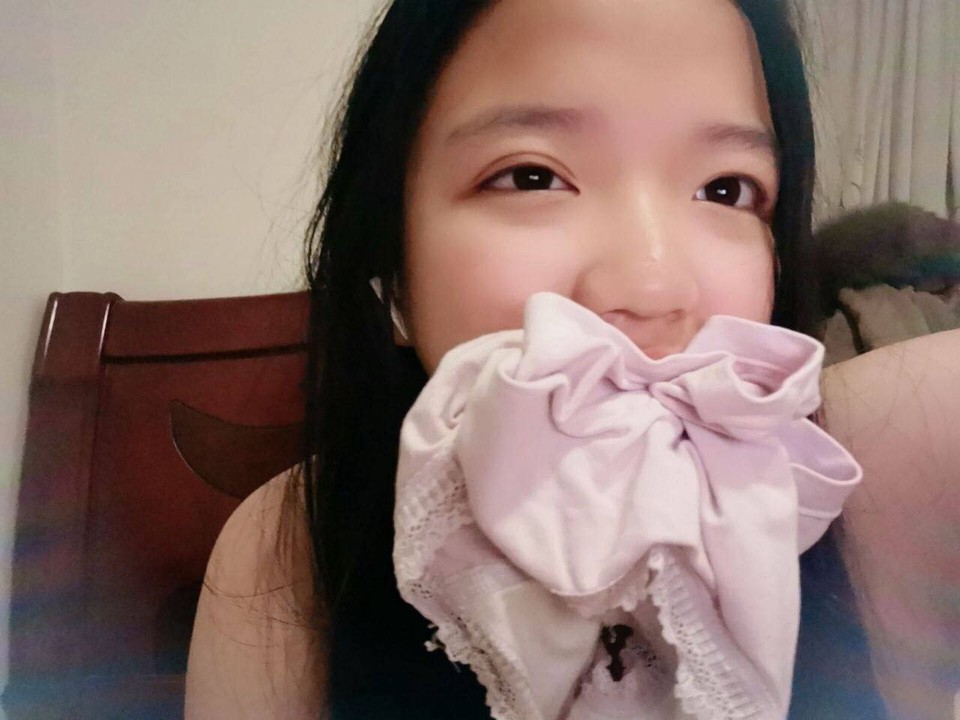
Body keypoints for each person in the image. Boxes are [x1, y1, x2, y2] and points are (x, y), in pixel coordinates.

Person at [184, 1, 960, 718]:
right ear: (394, 262)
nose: (654, 288)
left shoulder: (872, 463)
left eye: (726, 190)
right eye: (532, 177)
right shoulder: (288, 553)